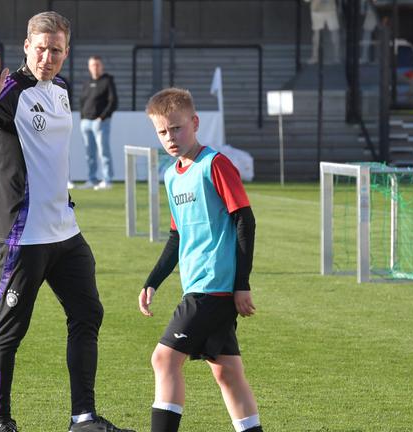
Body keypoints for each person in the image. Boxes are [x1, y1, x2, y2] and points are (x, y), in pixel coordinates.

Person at [0, 11, 135, 432]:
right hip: (24, 235)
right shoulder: (9, 90)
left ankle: (83, 418)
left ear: (66, 52)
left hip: (65, 231)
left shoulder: (60, 89)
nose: (48, 57)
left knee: (88, 314)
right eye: (41, 49)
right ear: (26, 47)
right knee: (10, 332)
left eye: (56, 50)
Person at [139, 88, 262, 432]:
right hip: (197, 285)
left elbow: (245, 221)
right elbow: (177, 236)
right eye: (162, 132)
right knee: (228, 373)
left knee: (163, 359)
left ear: (194, 123)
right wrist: (153, 280)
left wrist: (241, 285)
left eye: (177, 128)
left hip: (214, 288)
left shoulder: (215, 164)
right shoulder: (171, 175)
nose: (171, 137)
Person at [78, 55, 118, 190]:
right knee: (89, 153)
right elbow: (82, 100)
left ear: (101, 66)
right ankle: (92, 179)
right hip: (86, 122)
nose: (95, 67)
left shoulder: (107, 81)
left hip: (100, 122)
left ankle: (107, 180)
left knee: (103, 152)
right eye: (92, 65)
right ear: (89, 67)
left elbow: (113, 101)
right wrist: (82, 117)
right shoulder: (87, 82)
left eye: (97, 65)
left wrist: (102, 117)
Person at [305, 0, 341, 64]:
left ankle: (336, 56)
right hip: (320, 10)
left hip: (326, 10)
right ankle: (335, 56)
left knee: (332, 33)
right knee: (318, 34)